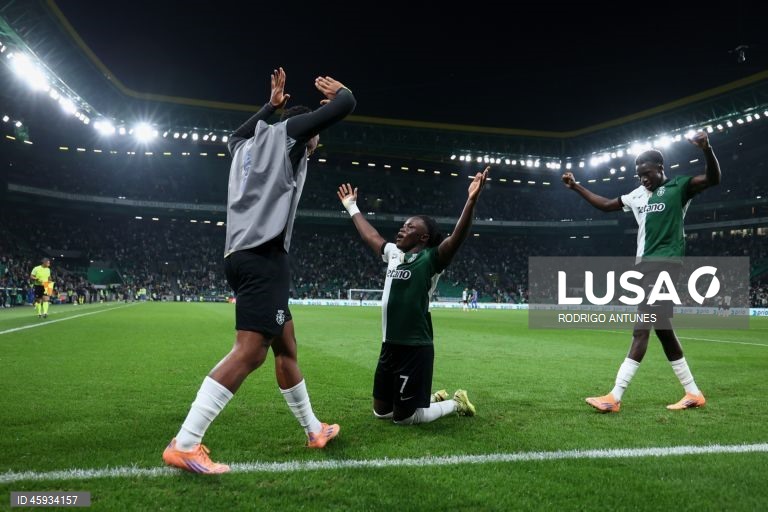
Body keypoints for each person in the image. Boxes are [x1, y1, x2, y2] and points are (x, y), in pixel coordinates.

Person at [163, 67, 356, 474]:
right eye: (314, 138)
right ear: (304, 130)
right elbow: (345, 105)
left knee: (285, 346)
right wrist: (342, 93)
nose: (315, 145)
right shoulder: (290, 136)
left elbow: (233, 137)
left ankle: (314, 429)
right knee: (250, 352)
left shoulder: (246, 148)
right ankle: (186, 442)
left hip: (239, 254)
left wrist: (268, 105)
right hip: (264, 256)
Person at [561, 131, 720, 412]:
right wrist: (576, 187)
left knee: (640, 329)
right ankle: (693, 392)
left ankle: (615, 396)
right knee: (663, 331)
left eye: (647, 173)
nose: (643, 179)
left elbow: (712, 179)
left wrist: (706, 149)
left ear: (661, 169)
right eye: (639, 175)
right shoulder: (637, 195)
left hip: (666, 265)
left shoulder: (679, 188)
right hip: (645, 267)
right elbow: (607, 205)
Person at [336, 166, 489, 425]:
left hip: (415, 347)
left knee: (404, 419)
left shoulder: (432, 258)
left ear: (424, 236)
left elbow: (458, 237)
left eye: (410, 227)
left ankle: (455, 402)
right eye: (403, 225)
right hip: (389, 344)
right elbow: (370, 236)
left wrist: (471, 201)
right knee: (381, 412)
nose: (402, 229)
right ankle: (432, 397)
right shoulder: (394, 253)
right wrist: (352, 206)